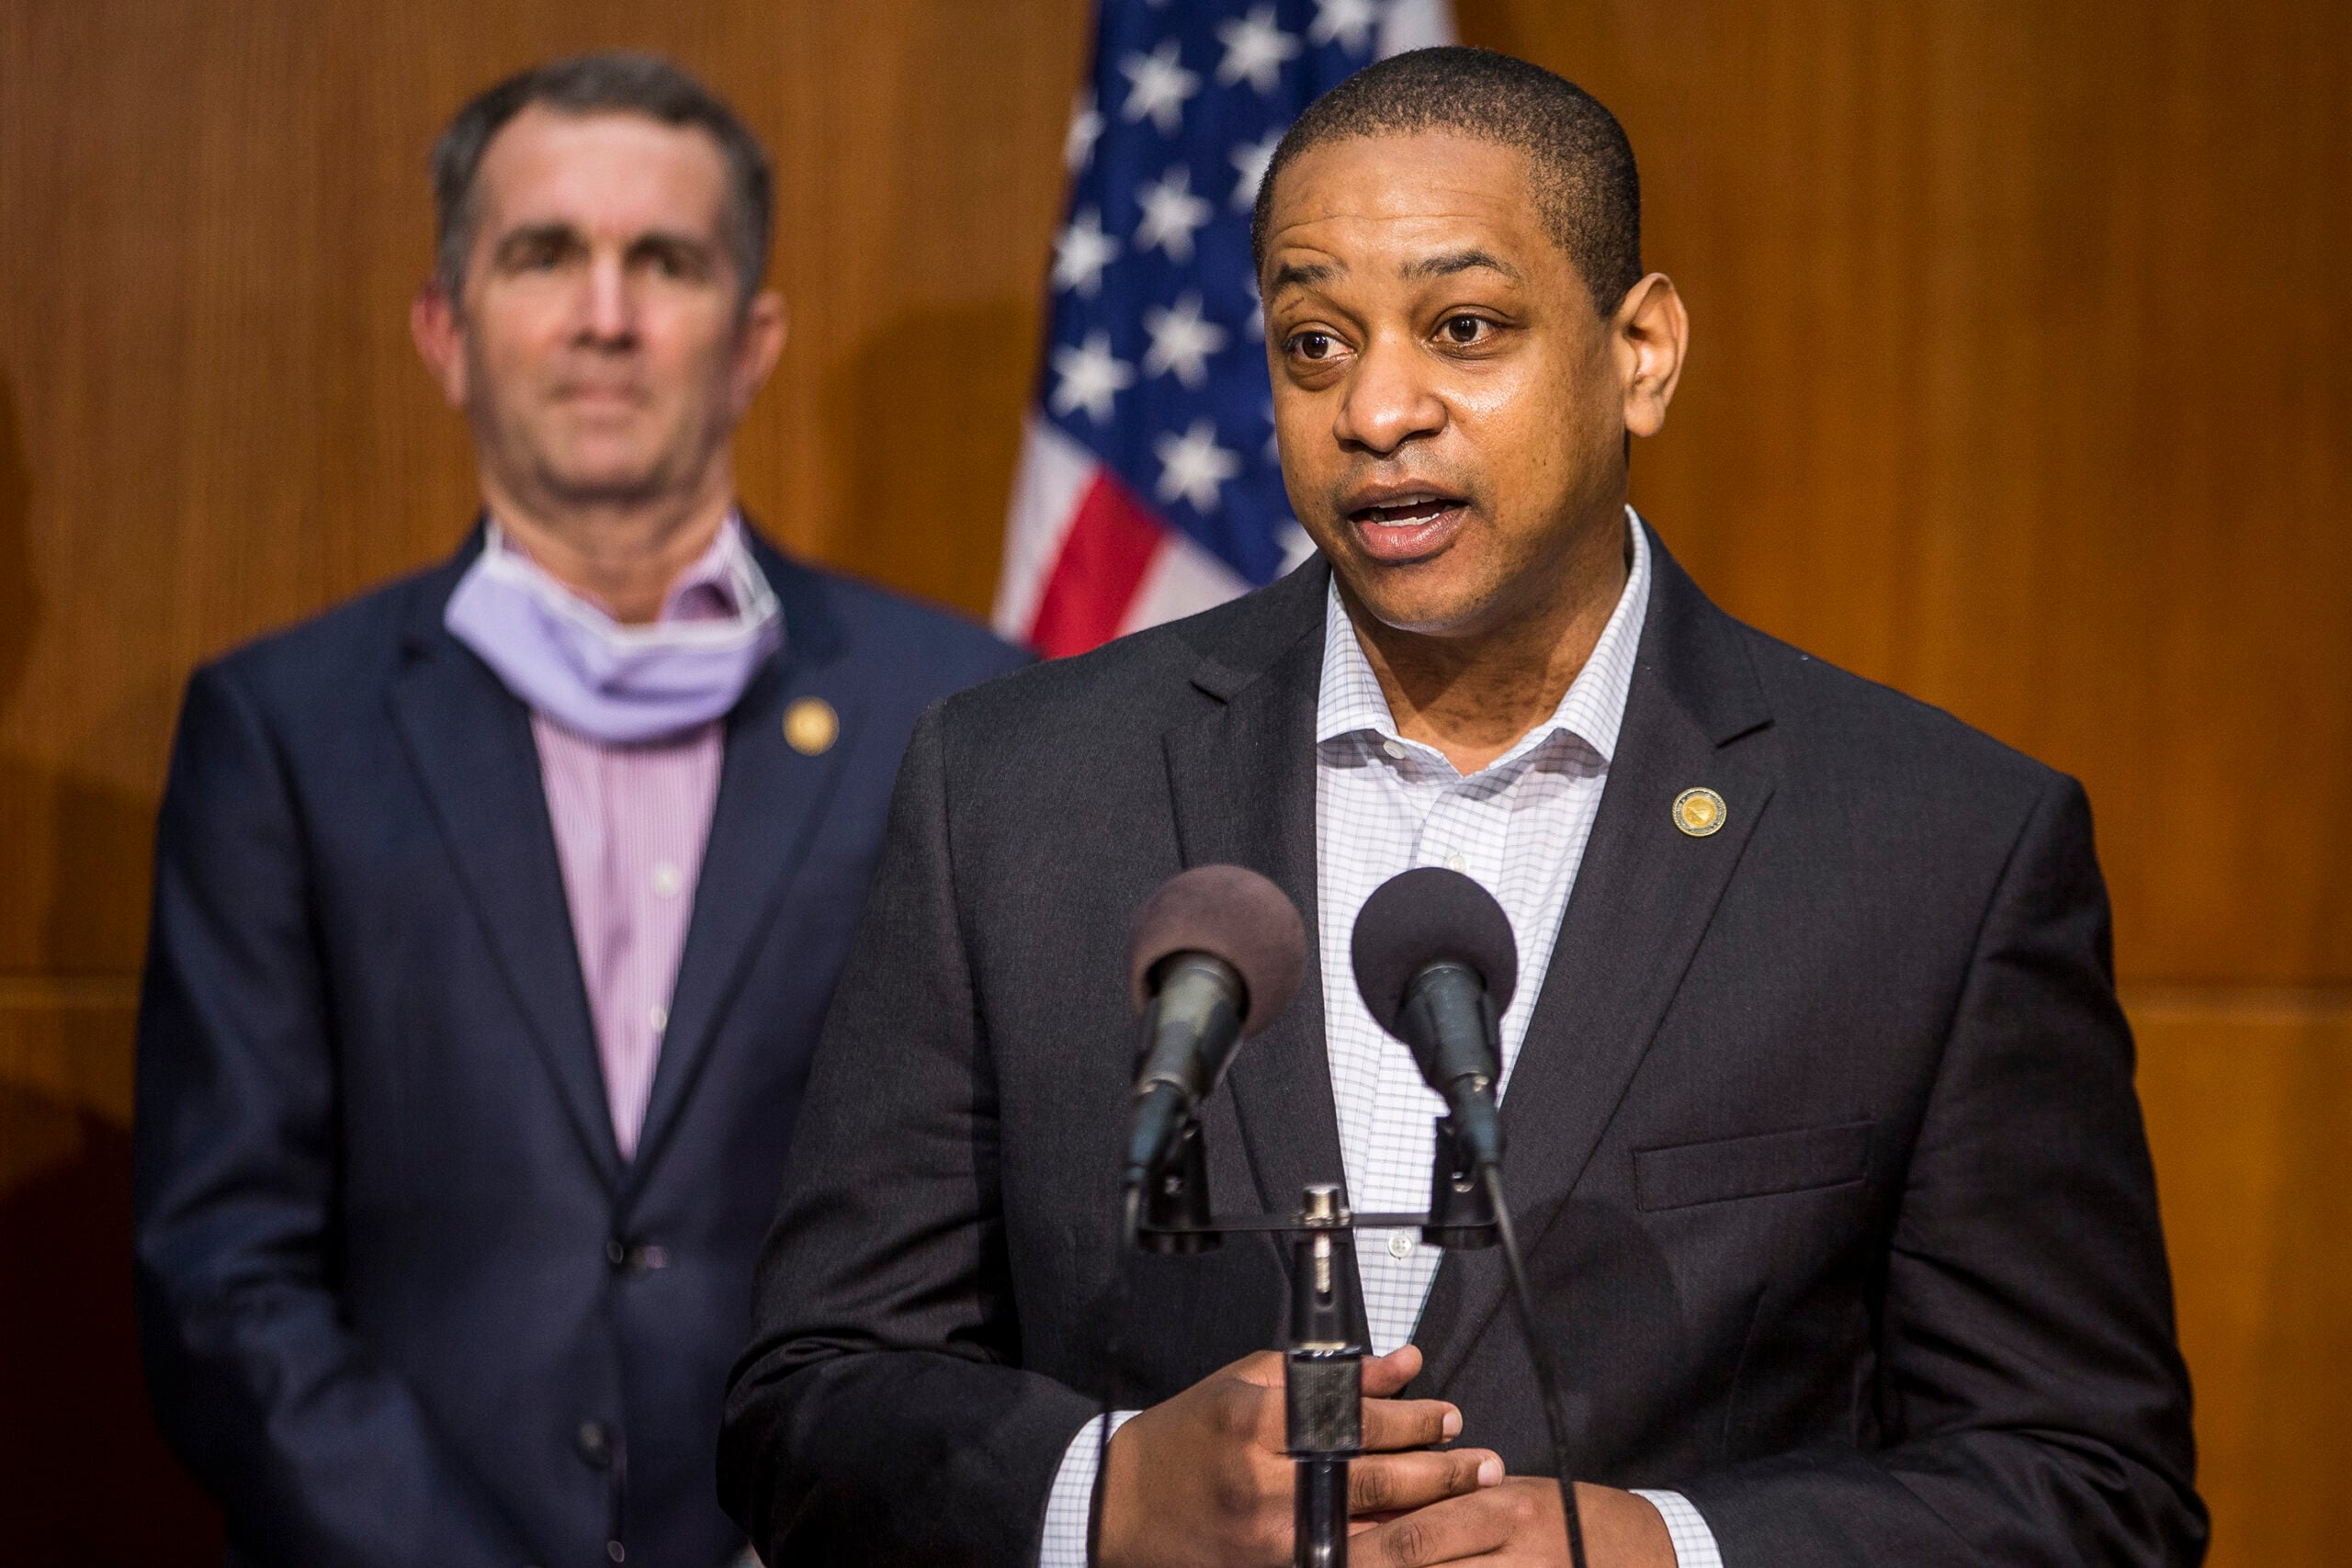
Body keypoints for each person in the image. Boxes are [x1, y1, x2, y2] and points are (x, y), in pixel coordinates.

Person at [718, 46, 2204, 1568]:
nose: (1375, 408)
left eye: (1464, 327)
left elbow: (2094, 1486)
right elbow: (806, 1402)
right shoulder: (1015, 794)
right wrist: (1105, 1496)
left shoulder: (1936, 848)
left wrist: (1670, 1553)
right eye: (1312, 342)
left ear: (1642, 351)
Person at [133, 51, 1025, 1568]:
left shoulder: (962, 718)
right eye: (544, 255)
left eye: (663, 263)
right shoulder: (283, 729)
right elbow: (222, 1270)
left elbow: (1022, 1235)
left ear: (751, 342)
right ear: (446, 330)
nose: (604, 316)